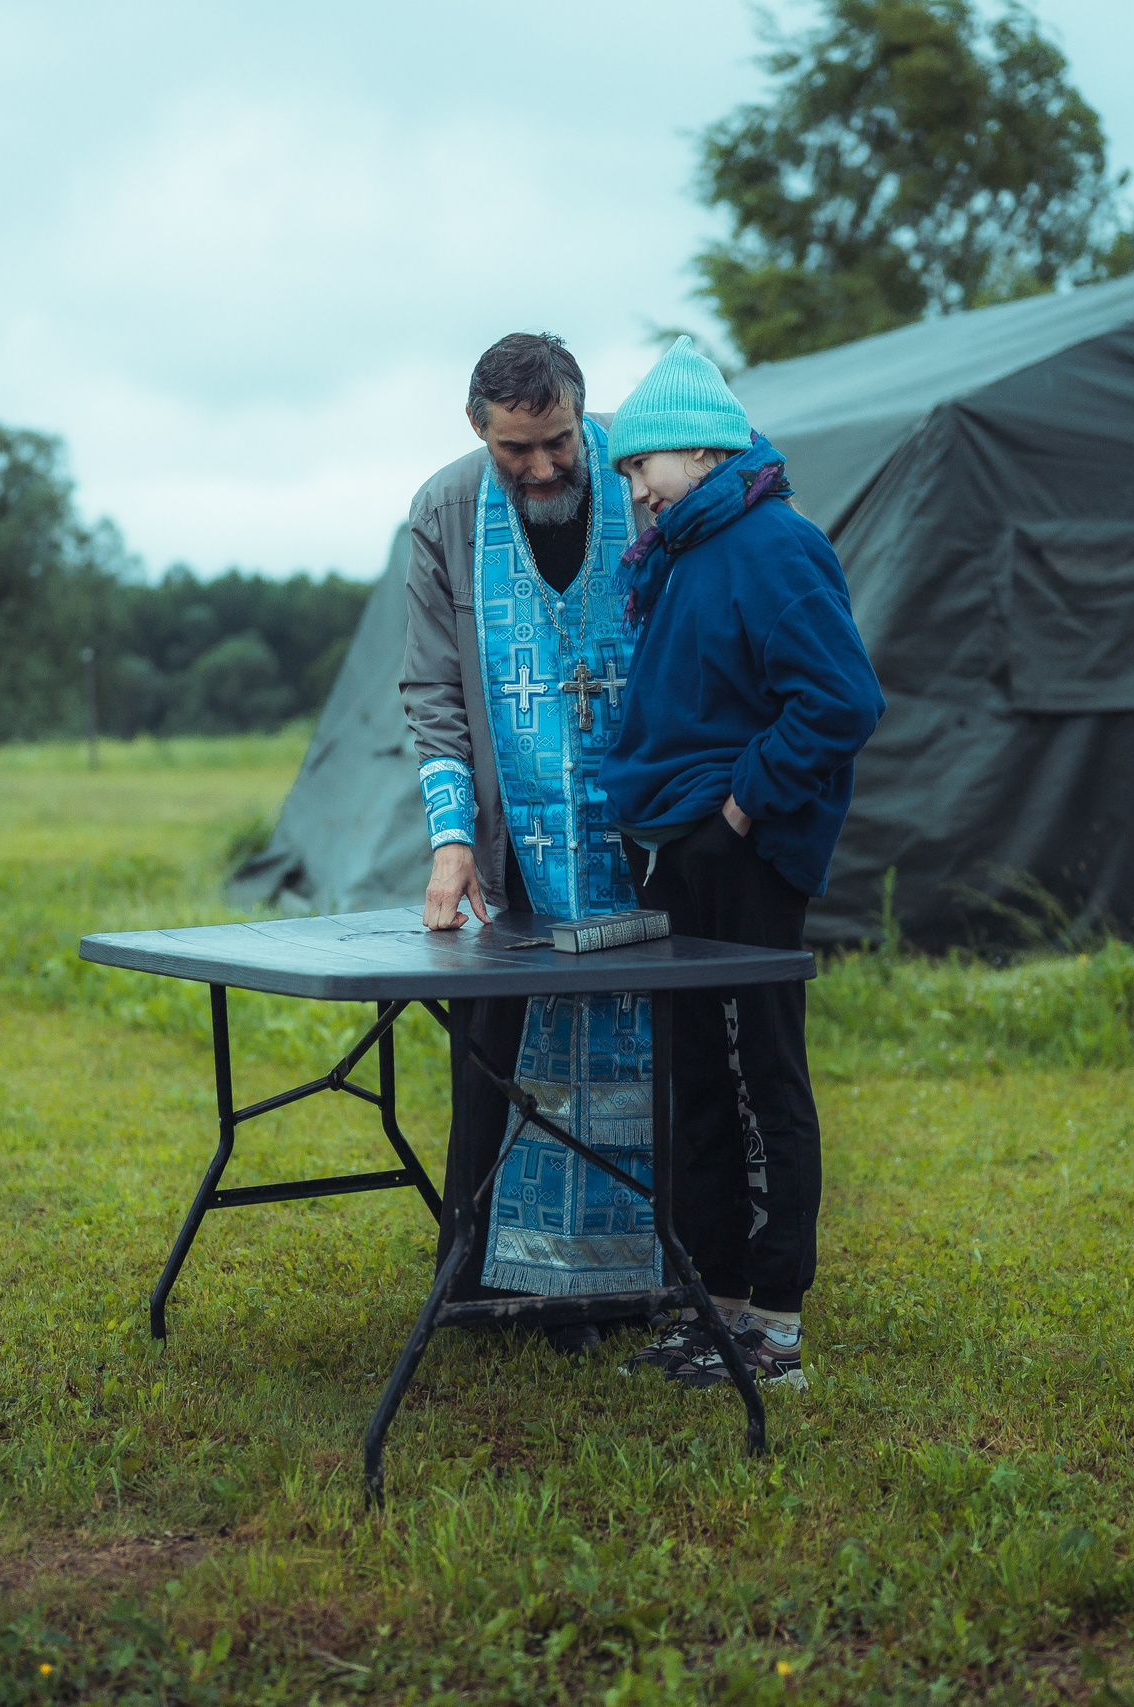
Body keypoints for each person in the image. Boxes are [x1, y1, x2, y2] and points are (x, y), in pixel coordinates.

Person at [595, 336, 884, 1392]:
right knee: (696, 1081)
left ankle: (775, 1326)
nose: (631, 488)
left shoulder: (773, 544)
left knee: (763, 1076)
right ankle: (713, 1308)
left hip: (745, 850)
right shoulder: (681, 555)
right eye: (625, 474)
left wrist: (739, 809)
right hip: (684, 848)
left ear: (703, 452)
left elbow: (841, 700)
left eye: (641, 467)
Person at [400, 332, 655, 1350]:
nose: (542, 467)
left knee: (646, 1060)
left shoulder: (644, 487)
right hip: (510, 850)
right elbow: (431, 690)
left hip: (638, 842)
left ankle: (634, 1281)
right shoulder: (444, 511)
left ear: (584, 418)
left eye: (557, 443)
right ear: (478, 431)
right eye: (518, 451)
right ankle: (482, 1284)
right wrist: (451, 838)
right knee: (492, 1061)